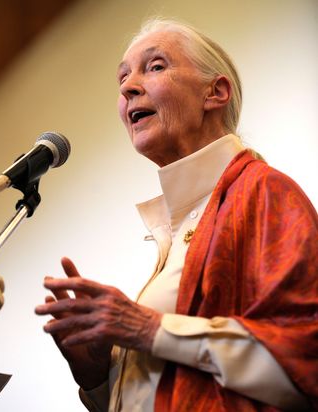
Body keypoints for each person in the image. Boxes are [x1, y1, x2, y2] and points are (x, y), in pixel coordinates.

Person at [35, 18, 318, 411]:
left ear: (215, 93)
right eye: (122, 77)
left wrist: (147, 327)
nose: (128, 87)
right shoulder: (178, 225)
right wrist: (100, 377)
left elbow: (306, 361)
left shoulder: (265, 192)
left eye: (155, 67)